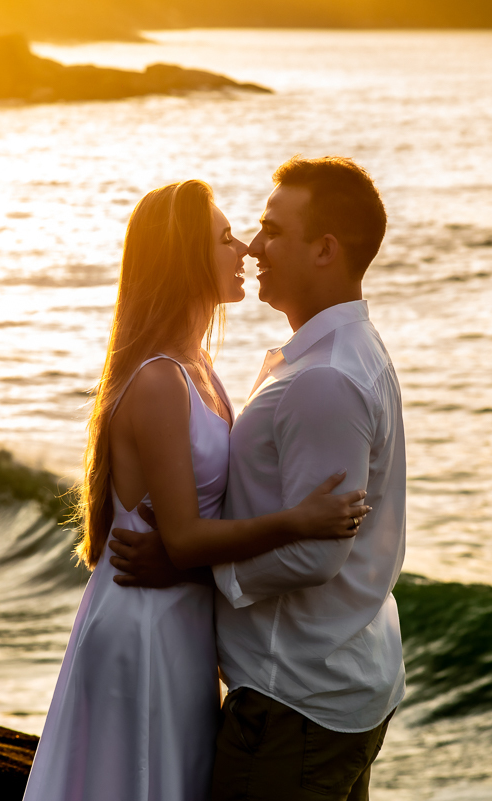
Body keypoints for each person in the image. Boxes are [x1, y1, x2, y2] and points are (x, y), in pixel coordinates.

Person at [21, 179, 371, 801]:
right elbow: (182, 536)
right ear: (186, 258)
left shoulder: (196, 368)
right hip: (144, 623)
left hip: (180, 616)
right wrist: (298, 521)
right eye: (224, 239)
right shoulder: (160, 380)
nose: (245, 250)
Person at [112, 157, 406, 801]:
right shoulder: (335, 356)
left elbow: (316, 553)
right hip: (326, 684)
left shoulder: (323, 379)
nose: (253, 245)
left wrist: (188, 566)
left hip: (293, 698)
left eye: (272, 230)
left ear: (325, 250)